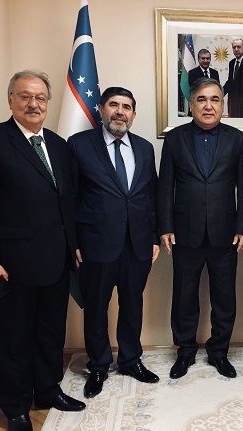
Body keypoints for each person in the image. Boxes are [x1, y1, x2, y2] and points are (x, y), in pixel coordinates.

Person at [0, 70, 85, 431]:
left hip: (56, 262)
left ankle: (46, 391)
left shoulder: (58, 145)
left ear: (48, 103)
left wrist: (73, 245)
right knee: (12, 340)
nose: (34, 104)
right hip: (10, 267)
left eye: (40, 98)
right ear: (11, 99)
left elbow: (65, 201)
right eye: (25, 96)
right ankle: (15, 408)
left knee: (50, 334)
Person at [68, 87, 161, 399]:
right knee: (96, 308)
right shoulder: (79, 144)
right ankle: (98, 365)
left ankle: (131, 360)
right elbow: (69, 197)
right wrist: (73, 242)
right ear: (101, 109)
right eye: (114, 105)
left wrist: (154, 237)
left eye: (127, 107)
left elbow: (151, 196)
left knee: (133, 305)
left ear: (133, 114)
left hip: (137, 244)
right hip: (95, 244)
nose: (120, 111)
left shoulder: (145, 148)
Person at [158, 77, 243, 379]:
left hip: (226, 234)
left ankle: (219, 352)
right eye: (201, 99)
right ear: (191, 105)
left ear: (223, 105)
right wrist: (165, 226)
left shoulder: (237, 139)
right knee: (184, 297)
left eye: (215, 99)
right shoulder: (175, 139)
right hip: (185, 232)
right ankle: (185, 352)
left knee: (225, 299)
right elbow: (165, 186)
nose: (208, 106)